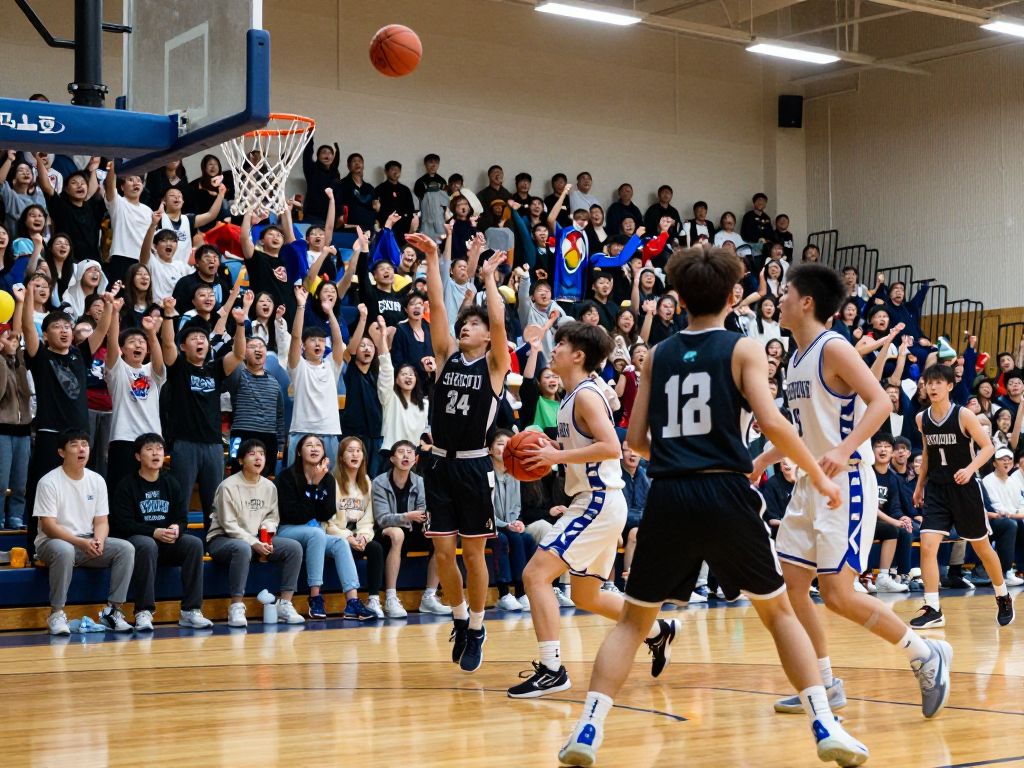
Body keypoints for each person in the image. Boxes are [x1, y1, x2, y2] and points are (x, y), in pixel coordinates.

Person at [558, 247, 867, 768]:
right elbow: (773, 424)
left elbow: (636, 439)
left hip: (671, 494)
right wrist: (818, 475)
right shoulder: (744, 349)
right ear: (731, 297)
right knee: (778, 611)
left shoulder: (656, 355)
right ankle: (824, 722)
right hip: (726, 492)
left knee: (633, 622)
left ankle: (588, 728)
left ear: (677, 300)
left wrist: (682, 454)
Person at [750, 262, 951, 722]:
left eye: (785, 294)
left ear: (806, 302)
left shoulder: (833, 347)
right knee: (792, 588)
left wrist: (843, 448)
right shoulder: (798, 356)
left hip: (846, 482)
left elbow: (882, 401)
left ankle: (925, 653)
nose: (777, 300)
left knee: (838, 594)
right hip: (807, 484)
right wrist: (760, 462)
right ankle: (823, 682)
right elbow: (797, 430)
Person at [508, 321, 680, 701]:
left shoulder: (585, 395)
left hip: (598, 499)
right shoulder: (575, 395)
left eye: (561, 344)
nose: (553, 351)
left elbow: (611, 447)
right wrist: (552, 448)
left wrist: (556, 455)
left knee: (535, 575)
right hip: (597, 500)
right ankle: (657, 631)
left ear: (579, 356)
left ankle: (552, 670)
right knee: (588, 597)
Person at [409, 230, 510, 673]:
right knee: (443, 554)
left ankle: (479, 626)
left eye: (474, 324)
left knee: (473, 555)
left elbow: (501, 323)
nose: (465, 326)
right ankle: (459, 617)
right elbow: (436, 305)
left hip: (473, 468)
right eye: (463, 323)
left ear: (487, 337)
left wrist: (489, 278)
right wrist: (432, 258)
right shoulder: (447, 353)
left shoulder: (495, 365)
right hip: (438, 466)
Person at [912, 364, 1014, 628]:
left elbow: (989, 447)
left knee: (981, 547)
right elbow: (926, 455)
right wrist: (919, 485)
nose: (932, 387)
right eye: (928, 383)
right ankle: (933, 607)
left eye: (937, 383)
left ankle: (1002, 594)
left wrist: (970, 470)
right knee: (927, 545)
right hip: (936, 488)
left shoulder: (964, 415)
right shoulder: (922, 419)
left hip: (964, 489)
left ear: (949, 386)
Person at [33, 430, 136, 635]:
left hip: (85, 541)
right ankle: (57, 613)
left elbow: (101, 521)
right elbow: (48, 526)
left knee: (125, 548)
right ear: (62, 452)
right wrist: (80, 543)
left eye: (85, 444)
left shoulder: (97, 480)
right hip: (52, 542)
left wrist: (98, 540)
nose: (81, 449)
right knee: (64, 550)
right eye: (74, 445)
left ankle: (113, 612)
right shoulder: (48, 481)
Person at [109, 433, 212, 630]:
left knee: (194, 544)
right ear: (138, 456)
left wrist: (177, 528)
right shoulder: (127, 485)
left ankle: (191, 610)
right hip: (139, 543)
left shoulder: (171, 483)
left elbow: (182, 518)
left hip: (166, 542)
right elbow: (123, 523)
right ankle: (143, 611)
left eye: (159, 449)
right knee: (147, 544)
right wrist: (153, 532)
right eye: (149, 449)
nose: (155, 453)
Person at [160, 296, 246, 530]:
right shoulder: (179, 367)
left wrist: (240, 326)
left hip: (213, 445)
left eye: (203, 338)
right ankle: (178, 545)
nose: (200, 341)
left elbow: (238, 355)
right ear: (184, 346)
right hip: (185, 444)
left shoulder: (215, 368)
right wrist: (168, 314)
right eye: (194, 338)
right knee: (181, 504)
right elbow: (167, 345)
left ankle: (214, 547)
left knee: (214, 506)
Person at [275, 434, 376, 620]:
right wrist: (312, 486)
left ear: (323, 452)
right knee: (316, 533)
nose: (314, 449)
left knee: (340, 543)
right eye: (308, 445)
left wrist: (319, 484)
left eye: (318, 446)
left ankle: (352, 602)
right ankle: (315, 597)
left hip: (315, 532)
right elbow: (293, 514)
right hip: (289, 530)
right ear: (299, 451)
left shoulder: (328, 479)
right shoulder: (286, 477)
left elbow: (324, 513)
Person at [207, 439, 306, 628]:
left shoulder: (269, 487)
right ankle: (236, 606)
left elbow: (272, 517)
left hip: (257, 539)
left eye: (261, 453)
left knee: (293, 548)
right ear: (241, 460)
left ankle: (285, 603)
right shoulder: (228, 486)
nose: (258, 457)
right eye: (252, 454)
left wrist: (265, 536)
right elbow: (229, 525)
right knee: (243, 548)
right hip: (224, 539)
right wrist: (254, 542)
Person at [370, 440, 449, 615]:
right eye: (400, 452)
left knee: (439, 535)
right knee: (398, 534)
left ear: (416, 459)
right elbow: (382, 519)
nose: (406, 455)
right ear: (392, 458)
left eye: (410, 452)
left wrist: (425, 521)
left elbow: (422, 509)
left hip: (412, 530)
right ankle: (390, 598)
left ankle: (429, 596)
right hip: (386, 532)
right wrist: (407, 517)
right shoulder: (379, 482)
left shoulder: (420, 481)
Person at [104, 307, 165, 496]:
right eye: (131, 342)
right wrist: (114, 314)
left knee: (147, 492)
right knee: (120, 492)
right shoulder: (117, 370)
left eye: (141, 342)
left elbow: (159, 362)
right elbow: (112, 344)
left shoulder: (152, 372)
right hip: (123, 438)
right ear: (123, 350)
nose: (138, 345)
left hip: (152, 439)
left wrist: (151, 334)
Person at [328, 436, 390, 617]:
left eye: (358, 450)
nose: (355, 454)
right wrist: (347, 536)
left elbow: (368, 518)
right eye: (350, 451)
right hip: (337, 535)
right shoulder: (331, 482)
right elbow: (327, 522)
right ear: (341, 457)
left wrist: (363, 536)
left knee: (376, 548)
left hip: (358, 535)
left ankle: (374, 599)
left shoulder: (366, 482)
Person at [488, 429, 533, 611]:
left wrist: (515, 522)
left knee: (524, 538)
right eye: (500, 443)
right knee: (502, 539)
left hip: (506, 525)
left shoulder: (514, 473)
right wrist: (506, 525)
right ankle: (504, 593)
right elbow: (485, 509)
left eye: (509, 443)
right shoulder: (485, 472)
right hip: (486, 525)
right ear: (489, 449)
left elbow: (516, 506)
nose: (505, 447)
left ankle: (522, 593)